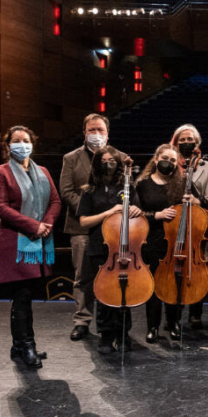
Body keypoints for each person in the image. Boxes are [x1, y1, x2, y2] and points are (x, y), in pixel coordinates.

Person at [0, 126, 61, 368]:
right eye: (16, 141)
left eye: (26, 140)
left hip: (39, 241)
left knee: (26, 296)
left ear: (33, 143)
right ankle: (27, 345)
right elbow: (0, 207)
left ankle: (19, 345)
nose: (22, 145)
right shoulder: (0, 172)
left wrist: (46, 224)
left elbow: (55, 200)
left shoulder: (42, 171)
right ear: (8, 146)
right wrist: (33, 226)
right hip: (15, 241)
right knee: (22, 295)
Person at [59, 114, 126, 341]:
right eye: (91, 130)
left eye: (100, 130)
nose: (95, 134)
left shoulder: (121, 158)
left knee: (113, 275)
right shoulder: (71, 158)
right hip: (83, 227)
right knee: (83, 276)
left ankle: (113, 323)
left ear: (107, 133)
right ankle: (82, 321)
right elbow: (67, 190)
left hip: (114, 230)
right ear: (84, 132)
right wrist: (90, 209)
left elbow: (126, 192)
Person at [76, 147, 143, 354]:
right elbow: (84, 221)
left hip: (124, 248)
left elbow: (137, 215)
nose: (108, 164)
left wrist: (136, 210)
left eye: (112, 160)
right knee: (104, 294)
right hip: (100, 248)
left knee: (124, 293)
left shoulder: (127, 187)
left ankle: (123, 334)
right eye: (104, 161)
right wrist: (109, 212)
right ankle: (105, 335)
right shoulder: (88, 190)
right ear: (97, 164)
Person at [135, 144, 192, 343]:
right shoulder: (142, 184)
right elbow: (135, 213)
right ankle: (152, 327)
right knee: (154, 286)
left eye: (173, 160)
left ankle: (174, 323)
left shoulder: (182, 183)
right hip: (151, 240)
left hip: (176, 241)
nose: (169, 163)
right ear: (157, 158)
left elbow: (202, 204)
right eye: (165, 158)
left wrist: (193, 200)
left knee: (175, 284)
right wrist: (156, 215)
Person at [169, 124, 208, 329]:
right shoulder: (168, 162)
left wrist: (198, 201)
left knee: (198, 268)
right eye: (182, 140)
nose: (186, 143)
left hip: (198, 224)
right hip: (173, 222)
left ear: (197, 143)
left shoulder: (207, 166)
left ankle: (196, 312)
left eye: (190, 140)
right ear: (175, 142)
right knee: (172, 267)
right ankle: (173, 312)